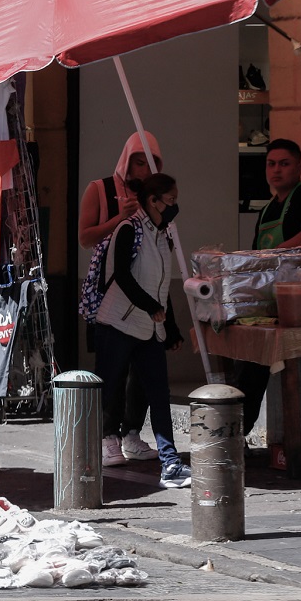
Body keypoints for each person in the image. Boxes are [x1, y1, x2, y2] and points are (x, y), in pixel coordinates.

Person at [94, 172, 191, 489]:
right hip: (119, 323)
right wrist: (149, 305)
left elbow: (162, 288)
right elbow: (122, 275)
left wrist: (171, 327)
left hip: (151, 328)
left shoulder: (164, 234)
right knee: (107, 392)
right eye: (171, 201)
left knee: (159, 394)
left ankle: (171, 463)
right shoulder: (128, 229)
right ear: (153, 201)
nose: (175, 207)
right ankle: (80, 454)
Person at [78, 131, 162, 466]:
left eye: (150, 162)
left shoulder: (155, 194)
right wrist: (119, 218)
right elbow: (85, 237)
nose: (143, 169)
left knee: (143, 365)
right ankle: (106, 436)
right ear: (126, 159)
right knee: (112, 365)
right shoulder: (100, 189)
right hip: (111, 289)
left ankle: (132, 434)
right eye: (138, 161)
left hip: (145, 288)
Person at [239, 138, 301, 437]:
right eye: (271, 164)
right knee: (249, 361)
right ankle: (238, 430)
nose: (276, 170)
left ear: (299, 167)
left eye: (284, 163)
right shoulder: (266, 210)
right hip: (270, 304)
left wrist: (276, 251)